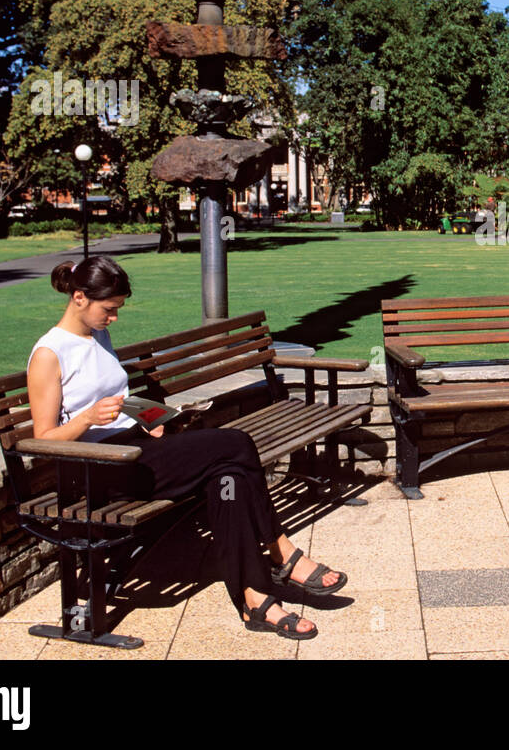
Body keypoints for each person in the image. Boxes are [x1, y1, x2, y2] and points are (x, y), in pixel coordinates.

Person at [26, 254, 346, 640]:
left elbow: (119, 402)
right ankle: (280, 550)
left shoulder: (98, 336)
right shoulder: (49, 353)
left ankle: (255, 599)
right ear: (79, 297)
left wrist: (153, 422)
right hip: (103, 469)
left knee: (229, 479)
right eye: (109, 309)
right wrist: (86, 418)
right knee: (237, 443)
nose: (114, 318)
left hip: (135, 448)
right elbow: (42, 440)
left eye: (117, 310)